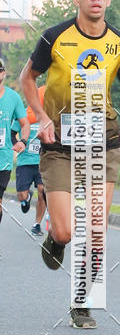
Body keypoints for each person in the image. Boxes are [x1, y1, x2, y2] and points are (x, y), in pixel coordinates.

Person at [20, 0, 120, 328]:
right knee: (65, 230)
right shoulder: (55, 37)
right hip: (59, 142)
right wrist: (43, 118)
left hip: (102, 140)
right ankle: (56, 240)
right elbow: (26, 78)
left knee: (95, 230)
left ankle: (82, 302)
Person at [0, 58, 30, 229]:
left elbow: (25, 124)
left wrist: (23, 141)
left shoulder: (13, 97)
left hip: (2, 159)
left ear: (3, 73)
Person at [15, 86, 46, 235]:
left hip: (42, 162)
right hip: (25, 162)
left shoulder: (47, 117)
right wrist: (17, 144)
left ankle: (37, 224)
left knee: (42, 191)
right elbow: (12, 132)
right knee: (21, 194)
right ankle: (26, 198)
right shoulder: (23, 116)